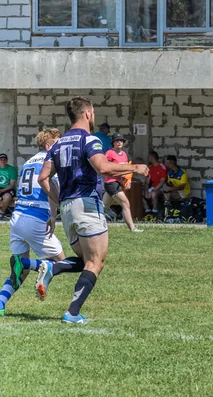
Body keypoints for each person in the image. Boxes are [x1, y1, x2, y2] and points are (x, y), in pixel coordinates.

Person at [38, 96, 149, 324]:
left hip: (67, 209)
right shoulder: (90, 140)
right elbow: (102, 167)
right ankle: (72, 313)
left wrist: (59, 201)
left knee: (86, 259)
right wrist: (134, 167)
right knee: (95, 262)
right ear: (88, 113)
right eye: (94, 113)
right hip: (87, 204)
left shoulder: (57, 144)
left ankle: (53, 268)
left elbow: (43, 178)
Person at [2, 129, 86, 316]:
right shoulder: (51, 162)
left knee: (19, 273)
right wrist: (54, 216)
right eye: (57, 144)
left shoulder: (28, 162)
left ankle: (0, 302)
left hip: (17, 219)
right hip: (36, 218)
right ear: (49, 146)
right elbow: (50, 187)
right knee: (60, 262)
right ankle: (27, 262)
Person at [102, 134, 143, 233]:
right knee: (125, 203)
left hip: (118, 183)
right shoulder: (109, 153)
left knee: (103, 207)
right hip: (111, 183)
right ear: (113, 143)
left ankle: (90, 221)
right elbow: (105, 167)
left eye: (121, 141)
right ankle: (132, 228)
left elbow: (126, 169)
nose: (119, 142)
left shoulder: (124, 154)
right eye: (117, 141)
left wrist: (128, 180)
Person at [143, 150, 167, 220]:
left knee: (153, 194)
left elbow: (162, 181)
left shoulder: (162, 167)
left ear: (152, 157)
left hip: (161, 188)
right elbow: (147, 182)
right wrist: (146, 191)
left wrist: (153, 190)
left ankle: (155, 212)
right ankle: (147, 211)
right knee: (141, 194)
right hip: (152, 187)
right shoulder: (150, 168)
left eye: (148, 157)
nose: (147, 158)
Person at [0, 153, 17, 218]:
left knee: (7, 196)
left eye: (4, 160)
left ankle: (2, 212)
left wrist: (2, 190)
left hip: (7, 188)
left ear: (7, 160)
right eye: (1, 160)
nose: (3, 161)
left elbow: (11, 185)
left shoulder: (12, 169)